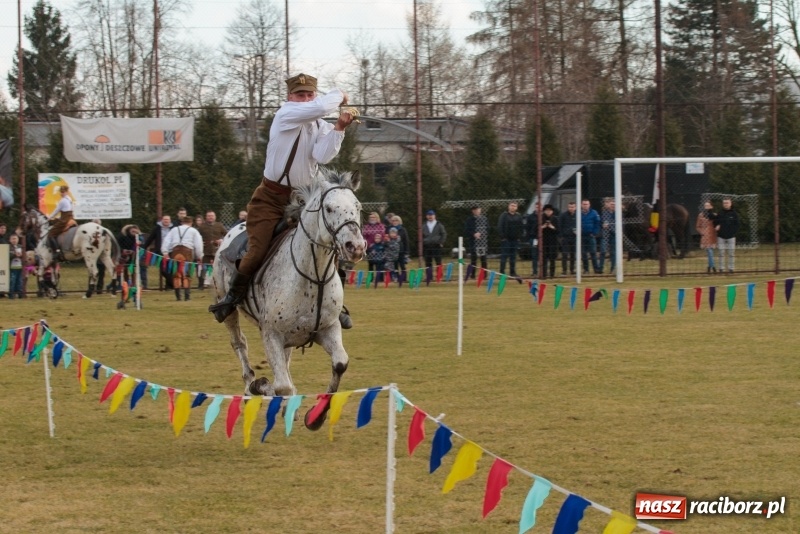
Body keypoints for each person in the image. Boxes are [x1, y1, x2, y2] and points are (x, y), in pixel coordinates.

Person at [209, 73, 355, 324]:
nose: (305, 99)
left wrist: (339, 128)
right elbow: (320, 107)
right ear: (290, 97)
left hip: (304, 198)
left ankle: (334, 304)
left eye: (309, 94)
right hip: (270, 198)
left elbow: (323, 156)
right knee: (257, 250)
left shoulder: (320, 125)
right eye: (300, 95)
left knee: (325, 244)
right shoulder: (286, 114)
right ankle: (232, 297)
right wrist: (340, 94)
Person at [162, 216, 203, 301]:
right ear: (191, 223)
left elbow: (166, 241)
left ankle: (178, 297)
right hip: (187, 252)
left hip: (175, 252)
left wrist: (165, 252)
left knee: (176, 274)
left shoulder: (174, 230)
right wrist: (199, 256)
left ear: (182, 222)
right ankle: (187, 297)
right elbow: (198, 244)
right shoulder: (194, 231)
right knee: (187, 274)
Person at [197, 210, 227, 289]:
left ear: (215, 217)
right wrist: (200, 242)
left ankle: (218, 284)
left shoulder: (219, 225)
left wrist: (221, 240)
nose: (210, 217)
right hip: (205, 251)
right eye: (209, 216)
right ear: (206, 217)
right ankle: (201, 285)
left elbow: (227, 235)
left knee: (218, 268)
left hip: (217, 251)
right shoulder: (201, 227)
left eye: (212, 216)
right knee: (203, 268)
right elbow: (197, 237)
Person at [143, 214, 173, 289]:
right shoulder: (157, 228)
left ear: (170, 221)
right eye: (165, 219)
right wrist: (144, 247)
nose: (166, 221)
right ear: (162, 220)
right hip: (160, 252)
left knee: (170, 269)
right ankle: (173, 283)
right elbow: (150, 238)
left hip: (171, 251)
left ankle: (169, 286)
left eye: (167, 219)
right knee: (163, 270)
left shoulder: (173, 229)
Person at [47, 184, 74, 261]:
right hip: (70, 218)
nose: (62, 193)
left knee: (51, 234)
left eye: (63, 192)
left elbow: (56, 211)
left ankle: (57, 251)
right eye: (61, 192)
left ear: (66, 192)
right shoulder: (69, 199)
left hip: (64, 220)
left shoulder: (62, 201)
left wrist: (49, 217)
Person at [497, 201, 524, 277]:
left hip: (515, 240)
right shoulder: (504, 215)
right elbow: (500, 226)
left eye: (515, 206)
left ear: (517, 207)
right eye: (512, 205)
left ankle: (513, 272)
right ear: (508, 206)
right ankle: (502, 272)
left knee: (513, 257)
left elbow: (521, 227)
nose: (513, 207)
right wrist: (503, 237)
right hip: (506, 240)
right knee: (504, 256)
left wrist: (519, 237)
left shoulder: (518, 216)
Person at [715, 197, 739, 274]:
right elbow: (715, 222)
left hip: (731, 237)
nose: (725, 204)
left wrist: (732, 233)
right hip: (721, 236)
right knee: (721, 253)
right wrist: (717, 226)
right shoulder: (720, 213)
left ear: (730, 203)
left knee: (731, 253)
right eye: (724, 203)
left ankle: (731, 269)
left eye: (727, 203)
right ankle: (721, 269)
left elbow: (737, 225)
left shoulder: (734, 214)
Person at [464, 205, 488, 277]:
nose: (476, 211)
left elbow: (488, 228)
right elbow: (467, 230)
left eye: (477, 209)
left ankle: (484, 275)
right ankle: (472, 274)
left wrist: (481, 234)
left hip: (482, 242)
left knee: (483, 259)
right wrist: (474, 234)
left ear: (480, 210)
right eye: (474, 210)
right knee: (473, 259)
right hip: (473, 242)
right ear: (472, 211)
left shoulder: (484, 219)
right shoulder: (469, 220)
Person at [696, 200, 718, 274]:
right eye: (705, 206)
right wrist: (701, 232)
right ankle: (713, 267)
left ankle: (709, 266)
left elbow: (717, 223)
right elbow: (698, 226)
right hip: (705, 235)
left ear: (711, 206)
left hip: (712, 235)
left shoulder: (715, 215)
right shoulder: (701, 215)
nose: (706, 207)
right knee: (709, 251)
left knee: (710, 252)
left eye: (708, 205)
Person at [580, 199, 601, 274]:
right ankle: (586, 270)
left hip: (591, 236)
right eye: (584, 204)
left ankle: (596, 269)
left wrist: (594, 233)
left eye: (587, 204)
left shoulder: (594, 213)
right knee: (583, 254)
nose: (585, 206)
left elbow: (597, 223)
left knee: (593, 253)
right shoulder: (578, 213)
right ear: (581, 205)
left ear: (589, 205)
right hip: (582, 236)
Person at [540, 204, 559, 279]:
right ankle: (544, 274)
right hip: (543, 241)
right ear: (544, 211)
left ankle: (552, 274)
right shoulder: (541, 218)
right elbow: (535, 229)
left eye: (550, 210)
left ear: (552, 211)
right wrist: (542, 227)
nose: (548, 212)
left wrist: (552, 227)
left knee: (552, 258)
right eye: (547, 210)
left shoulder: (555, 219)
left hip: (553, 241)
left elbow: (558, 230)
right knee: (544, 258)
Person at [599, 197, 617, 274]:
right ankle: (600, 268)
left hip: (614, 234)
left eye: (614, 204)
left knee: (613, 252)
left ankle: (613, 268)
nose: (613, 205)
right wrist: (602, 225)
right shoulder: (604, 213)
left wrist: (611, 227)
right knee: (603, 251)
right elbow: (600, 222)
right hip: (605, 234)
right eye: (611, 204)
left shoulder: (618, 214)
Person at [558, 201, 577, 275]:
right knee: (565, 254)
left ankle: (572, 269)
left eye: (572, 207)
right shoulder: (563, 215)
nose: (571, 208)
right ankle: (564, 270)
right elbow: (560, 226)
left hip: (574, 238)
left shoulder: (577, 215)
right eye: (570, 207)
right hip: (565, 238)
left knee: (573, 254)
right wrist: (561, 236)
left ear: (575, 207)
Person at [7, 233, 24, 299]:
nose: (14, 240)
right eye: (13, 239)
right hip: (12, 267)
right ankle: (11, 294)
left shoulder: (21, 246)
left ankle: (20, 294)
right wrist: (14, 255)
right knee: (12, 281)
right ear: (10, 240)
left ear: (18, 239)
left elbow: (24, 256)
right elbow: (7, 256)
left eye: (15, 239)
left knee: (19, 281)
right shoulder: (8, 247)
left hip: (20, 267)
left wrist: (22, 255)